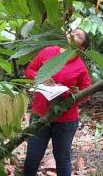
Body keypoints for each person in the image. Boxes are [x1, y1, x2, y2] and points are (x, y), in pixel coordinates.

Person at [23, 29, 92, 176]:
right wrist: (40, 76)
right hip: (40, 114)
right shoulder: (48, 52)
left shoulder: (80, 66)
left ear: (83, 47)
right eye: (73, 32)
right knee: (33, 157)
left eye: (79, 36)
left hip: (65, 120)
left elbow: (86, 92)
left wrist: (68, 92)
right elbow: (29, 71)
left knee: (62, 158)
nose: (74, 35)